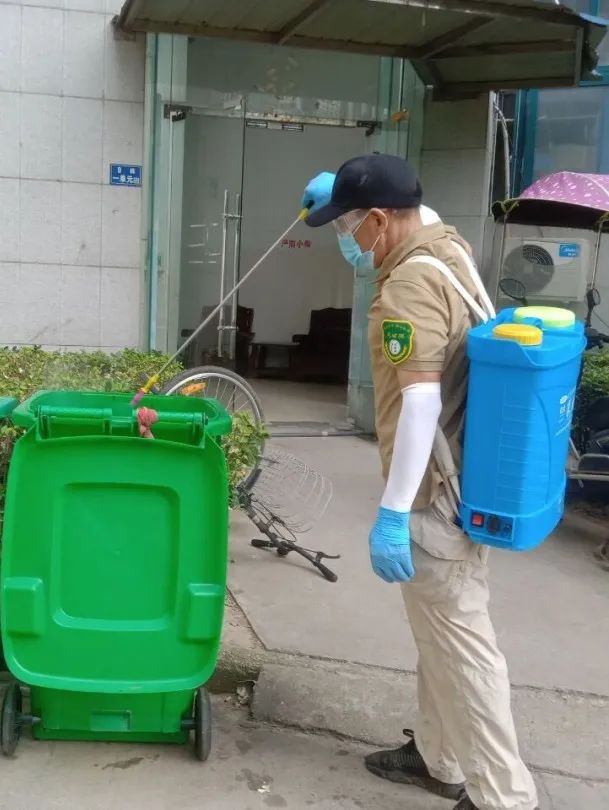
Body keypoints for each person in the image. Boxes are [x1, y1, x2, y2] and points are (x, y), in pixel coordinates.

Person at [300, 154, 539, 810]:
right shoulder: (445, 247)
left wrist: (393, 510)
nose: (346, 239)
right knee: (440, 636)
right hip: (467, 478)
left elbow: (420, 402)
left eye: (347, 224)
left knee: (462, 647)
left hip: (434, 496)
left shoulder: (406, 284)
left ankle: (504, 798)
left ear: (380, 220)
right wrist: (341, 189)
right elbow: (418, 211)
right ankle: (440, 759)